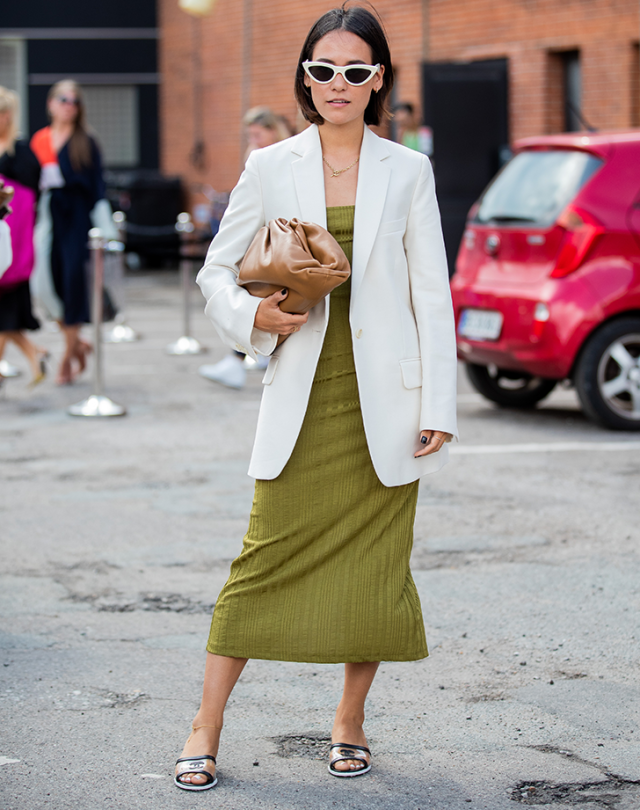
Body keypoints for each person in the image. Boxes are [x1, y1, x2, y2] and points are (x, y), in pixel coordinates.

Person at [176, 3, 457, 791]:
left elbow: (432, 295)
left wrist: (439, 405)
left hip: (387, 407)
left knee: (374, 569)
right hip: (301, 391)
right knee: (260, 562)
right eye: (325, 69)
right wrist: (253, 318)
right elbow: (214, 272)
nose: (340, 83)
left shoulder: (410, 171)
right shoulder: (272, 166)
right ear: (305, 77)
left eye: (357, 71)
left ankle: (350, 720)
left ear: (378, 82)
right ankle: (205, 725)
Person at [198, 107, 293, 389]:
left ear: (273, 130)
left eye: (257, 133)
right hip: (263, 237)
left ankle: (238, 359)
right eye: (249, 135)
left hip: (278, 239)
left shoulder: (285, 155)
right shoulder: (260, 156)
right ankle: (242, 357)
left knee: (264, 292)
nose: (253, 139)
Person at [30, 80, 107, 385]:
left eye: (74, 101)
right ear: (50, 103)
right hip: (47, 218)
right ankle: (78, 342)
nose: (68, 106)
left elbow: (98, 187)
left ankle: (67, 354)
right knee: (47, 286)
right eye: (63, 99)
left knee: (73, 281)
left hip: (76, 219)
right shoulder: (39, 140)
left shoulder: (85, 141)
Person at [0, 87, 47, 387]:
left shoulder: (21, 152)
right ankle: (35, 354)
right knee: (5, 317)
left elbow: (28, 201)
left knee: (5, 313)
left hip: (11, 244)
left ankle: (34, 355)